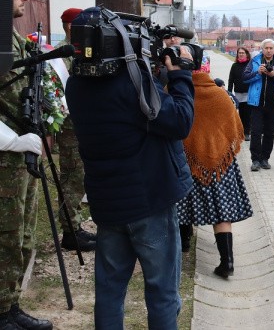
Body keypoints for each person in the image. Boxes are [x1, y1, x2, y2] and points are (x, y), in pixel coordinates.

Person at [66, 17, 195, 327]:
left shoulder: (75, 84)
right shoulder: (131, 84)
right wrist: (180, 75)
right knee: (162, 293)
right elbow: (179, 121)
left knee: (109, 292)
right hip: (149, 203)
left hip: (108, 204)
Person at [0, 0, 52, 330]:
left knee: (21, 233)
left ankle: (10, 304)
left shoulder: (14, 40)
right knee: (5, 235)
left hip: (21, 157)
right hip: (5, 157)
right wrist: (12, 141)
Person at [177, 70, 253, 278]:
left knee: (182, 201)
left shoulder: (177, 92)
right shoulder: (221, 95)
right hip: (221, 161)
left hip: (186, 160)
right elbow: (235, 127)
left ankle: (183, 244)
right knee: (221, 210)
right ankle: (227, 261)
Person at [54, 7, 97, 251]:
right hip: (71, 128)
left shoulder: (78, 51)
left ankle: (75, 226)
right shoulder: (63, 55)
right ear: (71, 27)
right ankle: (70, 232)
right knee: (72, 178)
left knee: (79, 178)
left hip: (80, 125)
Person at [242, 39, 274, 171]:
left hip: (273, 103)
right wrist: (258, 73)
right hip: (256, 103)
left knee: (269, 132)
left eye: (271, 48)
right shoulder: (255, 61)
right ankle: (255, 160)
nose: (269, 50)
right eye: (266, 48)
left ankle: (265, 159)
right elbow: (245, 77)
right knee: (256, 132)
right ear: (262, 49)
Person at [228, 47, 252, 141]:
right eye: (239, 53)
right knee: (241, 113)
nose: (241, 54)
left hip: (248, 93)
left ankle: (247, 132)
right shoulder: (234, 66)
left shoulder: (250, 65)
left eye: (243, 53)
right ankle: (241, 131)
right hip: (238, 93)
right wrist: (229, 92)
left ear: (247, 54)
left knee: (248, 113)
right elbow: (231, 79)